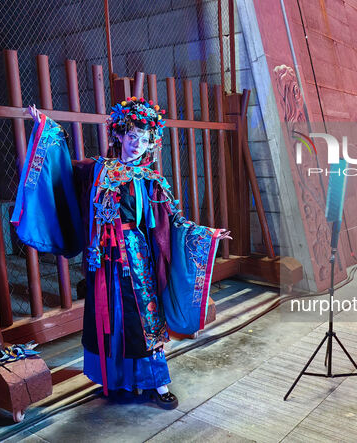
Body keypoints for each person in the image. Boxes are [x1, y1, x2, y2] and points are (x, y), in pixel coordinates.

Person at [12, 98, 231, 409]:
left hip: (138, 257)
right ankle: (117, 381)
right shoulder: (96, 171)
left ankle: (157, 383)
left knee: (145, 318)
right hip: (103, 261)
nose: (137, 144)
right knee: (110, 319)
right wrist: (45, 129)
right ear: (117, 135)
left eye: (143, 138)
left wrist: (206, 234)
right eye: (131, 136)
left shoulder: (151, 178)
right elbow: (58, 172)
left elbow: (174, 219)